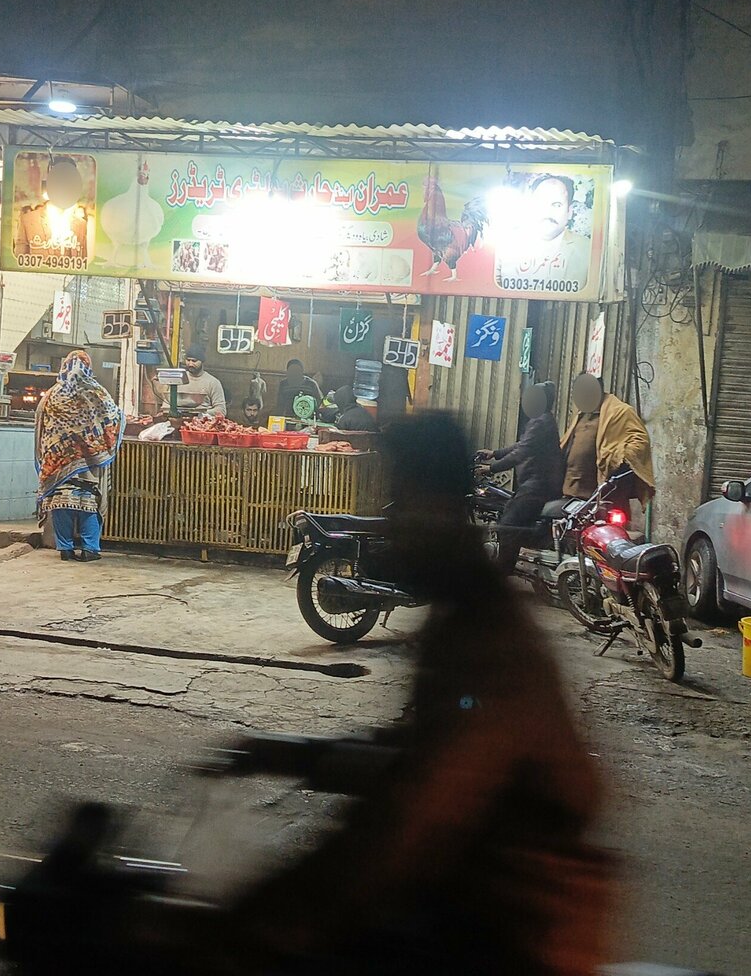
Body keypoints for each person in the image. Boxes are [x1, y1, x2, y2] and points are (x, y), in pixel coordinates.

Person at [227, 413, 611, 975]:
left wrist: (263, 914)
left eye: (401, 493)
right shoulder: (460, 612)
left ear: (436, 502)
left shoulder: (483, 637)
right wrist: (295, 754)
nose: (394, 517)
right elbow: (420, 752)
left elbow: (417, 814)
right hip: (472, 901)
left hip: (518, 933)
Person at [35, 350, 123, 562]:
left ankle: (65, 549)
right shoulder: (96, 393)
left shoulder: (52, 395)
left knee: (60, 502)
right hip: (88, 466)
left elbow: (39, 421)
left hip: (56, 465)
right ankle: (90, 549)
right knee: (87, 503)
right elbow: (114, 417)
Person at [478, 381, 564, 574]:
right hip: (538, 483)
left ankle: (502, 572)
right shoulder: (542, 420)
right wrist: (495, 453)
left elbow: (521, 453)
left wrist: (491, 469)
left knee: (507, 526)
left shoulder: (541, 422)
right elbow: (522, 444)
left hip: (538, 485)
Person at [560, 373, 655, 510]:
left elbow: (640, 440)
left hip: (604, 495)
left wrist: (618, 457)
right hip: (573, 494)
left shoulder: (620, 411)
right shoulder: (582, 414)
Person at [496, 173, 591, 291]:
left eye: (556, 205)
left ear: (569, 211)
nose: (548, 212)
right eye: (541, 203)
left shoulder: (588, 250)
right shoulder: (504, 245)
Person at [160, 345, 226, 417]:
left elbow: (221, 410)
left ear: (202, 362)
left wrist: (200, 414)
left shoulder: (213, 382)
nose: (190, 364)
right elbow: (166, 403)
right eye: (188, 360)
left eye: (194, 361)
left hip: (202, 423)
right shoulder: (178, 379)